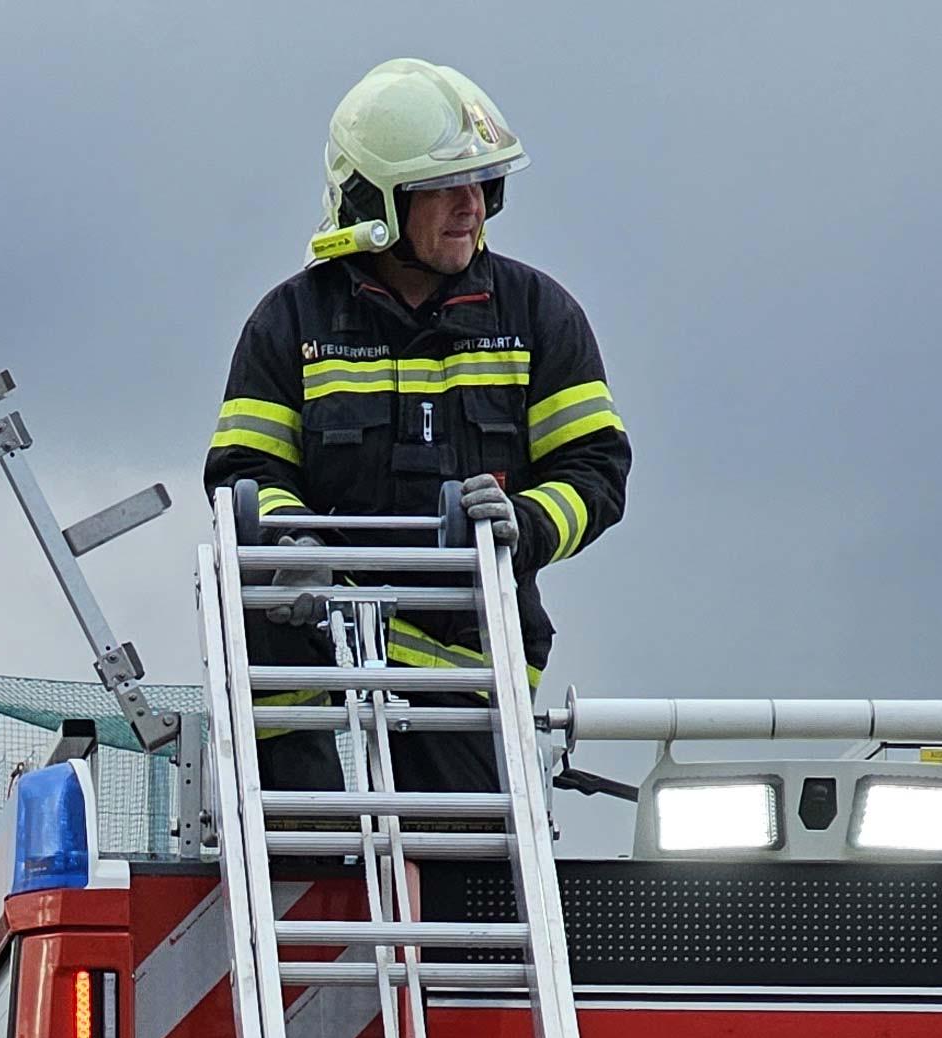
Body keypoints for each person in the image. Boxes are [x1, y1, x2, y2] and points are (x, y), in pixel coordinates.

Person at [204, 56, 633, 803]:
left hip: (469, 655)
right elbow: (242, 473)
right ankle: (309, 847)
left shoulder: (536, 317)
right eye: (444, 187)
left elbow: (597, 471)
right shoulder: (291, 323)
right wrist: (291, 543)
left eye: (483, 184)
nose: (473, 205)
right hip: (318, 637)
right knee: (305, 845)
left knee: (458, 885)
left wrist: (525, 524)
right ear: (377, 200)